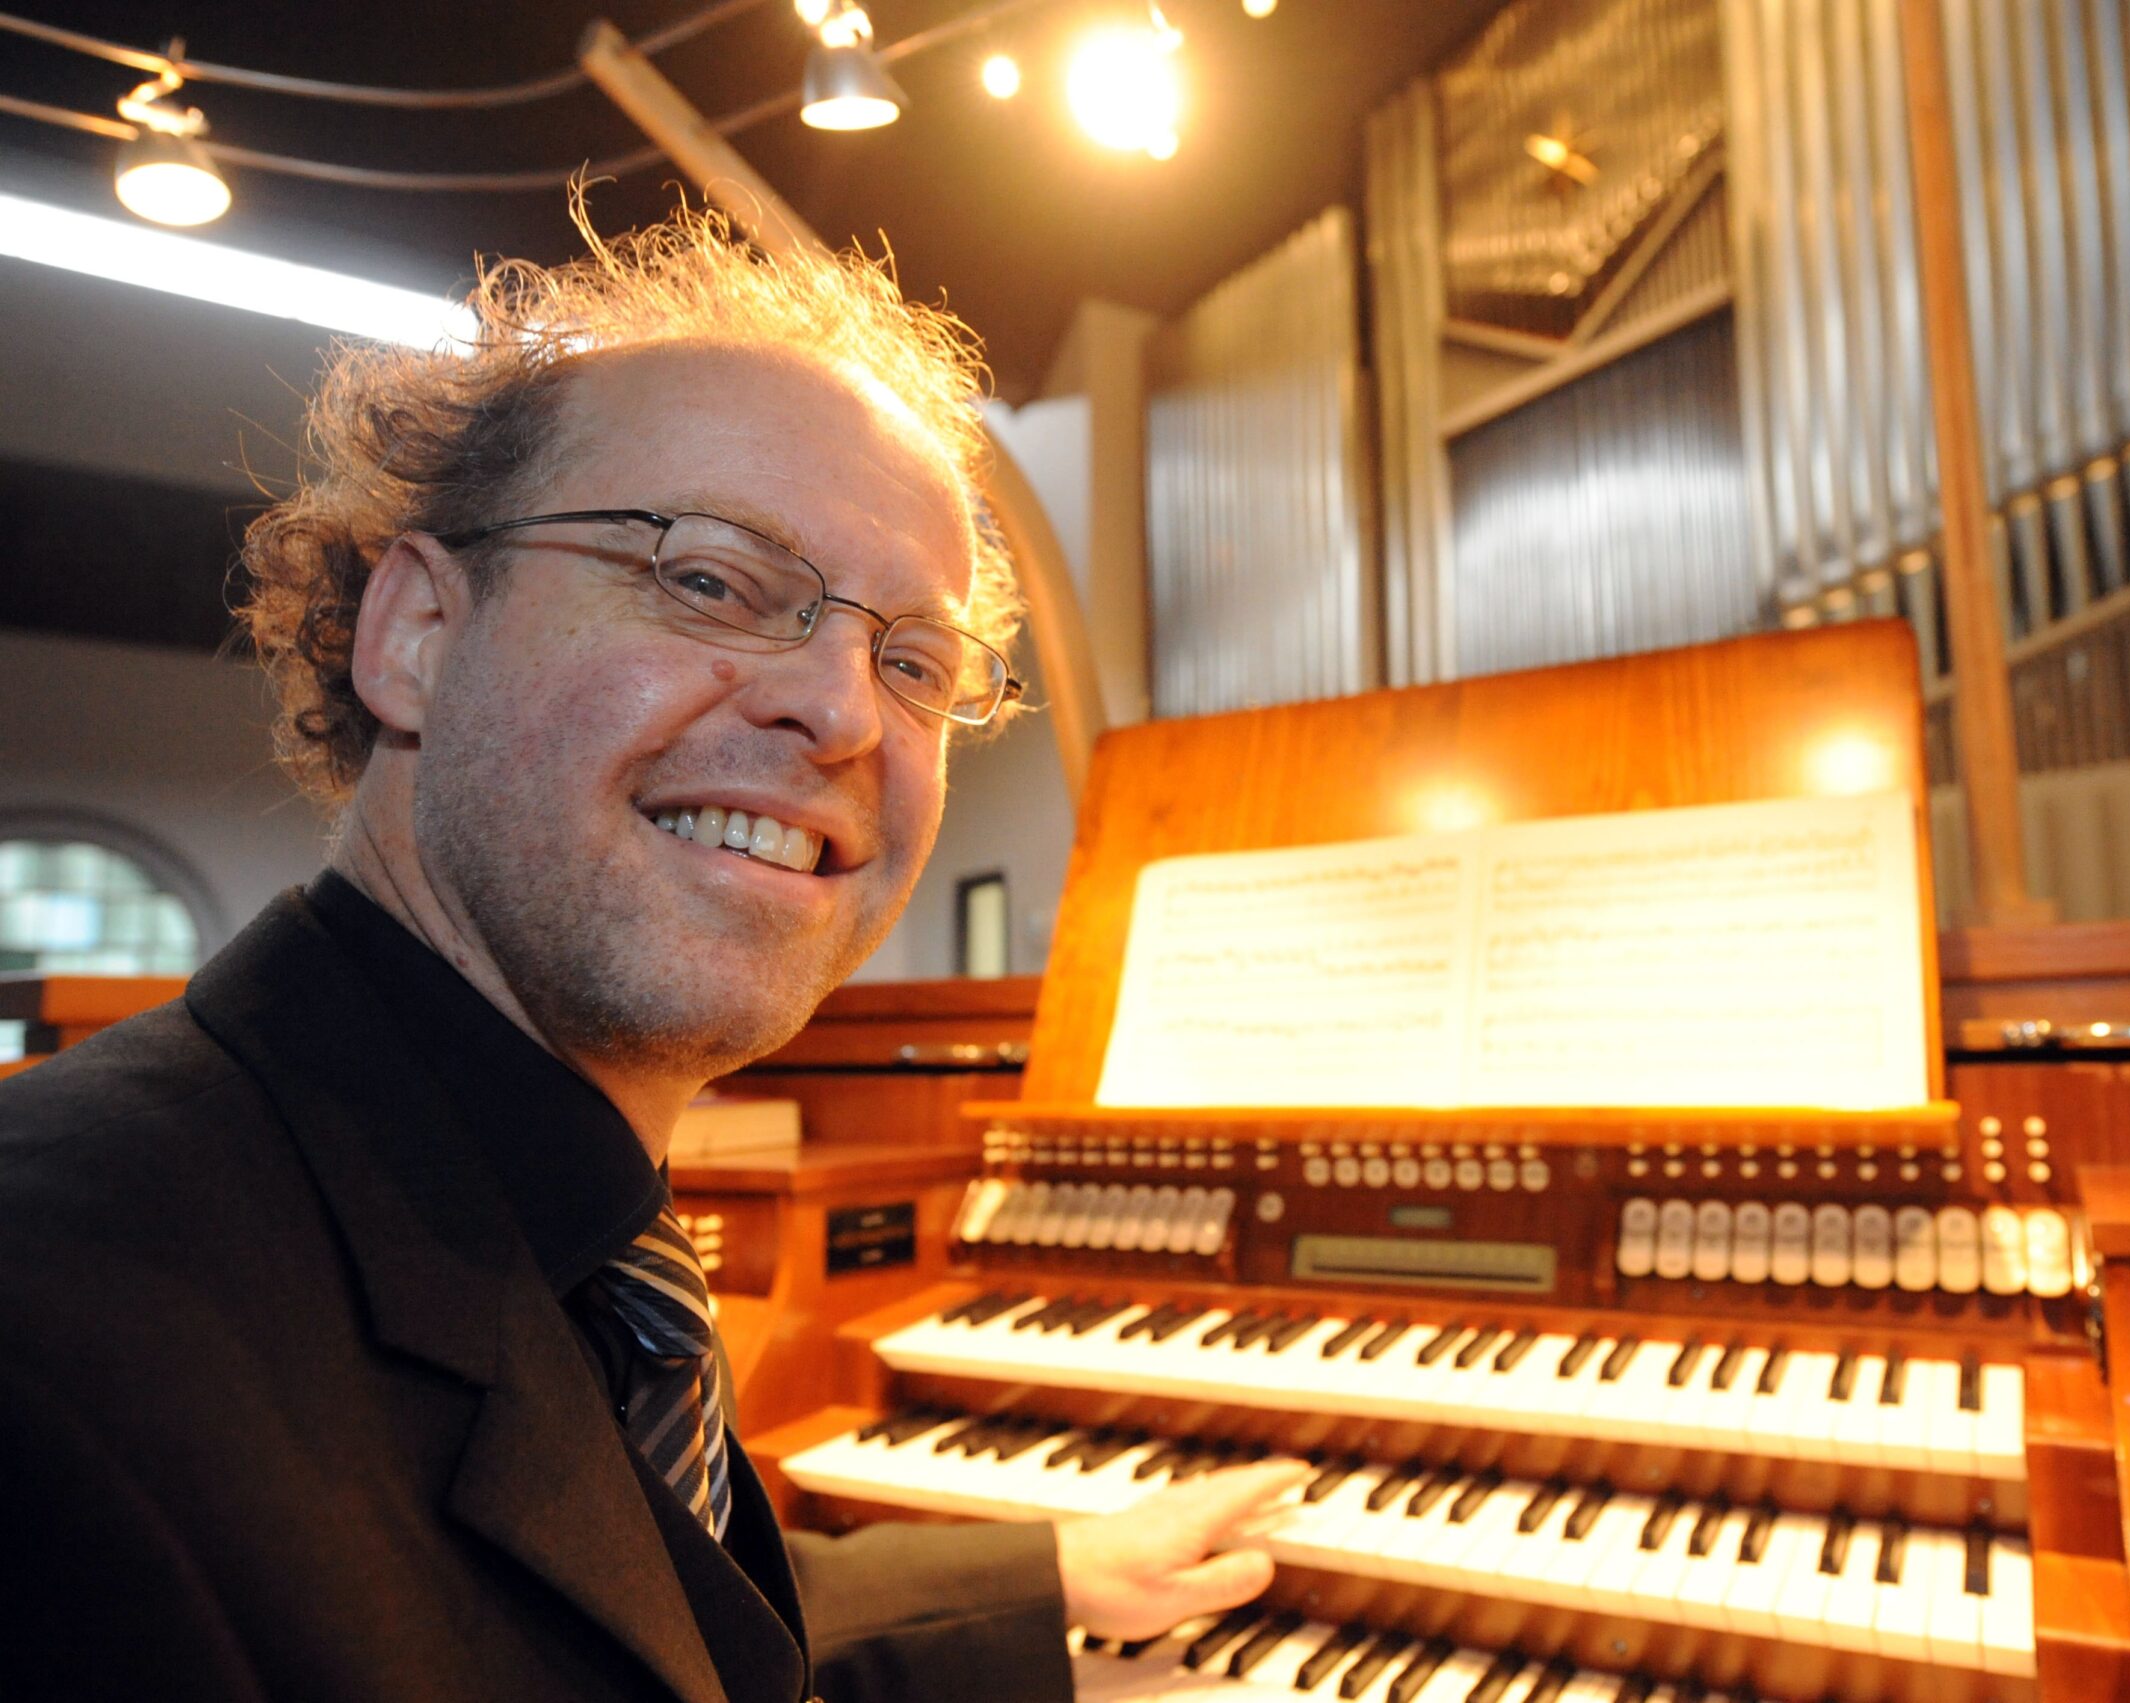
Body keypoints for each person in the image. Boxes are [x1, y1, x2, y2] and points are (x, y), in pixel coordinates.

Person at [0, 207, 1302, 1702]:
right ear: (418, 630)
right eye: (715, 581)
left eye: (916, 661)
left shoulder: (558, 1228)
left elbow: (594, 1598)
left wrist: (1047, 1579)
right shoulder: (53, 1358)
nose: (849, 714)